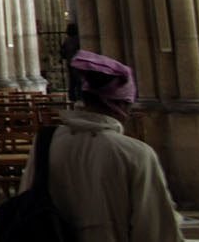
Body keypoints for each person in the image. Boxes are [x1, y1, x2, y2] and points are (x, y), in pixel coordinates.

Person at [19, 50, 183, 240]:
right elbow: (155, 227)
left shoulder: (46, 142)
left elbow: (25, 203)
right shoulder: (136, 154)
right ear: (122, 106)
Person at [59, 22, 81, 104]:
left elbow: (62, 51)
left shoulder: (67, 40)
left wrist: (65, 56)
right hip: (78, 62)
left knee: (72, 81)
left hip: (70, 62)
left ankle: (72, 97)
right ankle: (79, 96)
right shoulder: (78, 39)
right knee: (78, 80)